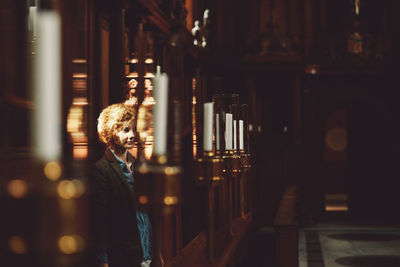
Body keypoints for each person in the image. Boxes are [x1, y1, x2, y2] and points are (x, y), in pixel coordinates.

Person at [90, 103, 152, 267]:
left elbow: (147, 214)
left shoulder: (139, 166)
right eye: (125, 130)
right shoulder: (101, 170)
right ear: (111, 132)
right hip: (123, 256)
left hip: (147, 252)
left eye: (133, 129)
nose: (132, 135)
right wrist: (103, 259)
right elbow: (99, 220)